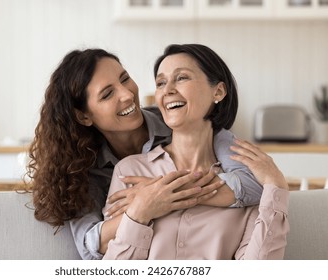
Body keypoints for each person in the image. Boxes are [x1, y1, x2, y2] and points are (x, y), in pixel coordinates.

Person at [26, 48, 263, 260]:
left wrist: (161, 191)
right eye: (107, 94)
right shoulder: (82, 167)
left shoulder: (181, 119)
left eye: (125, 79)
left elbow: (255, 186)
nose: (128, 95)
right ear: (84, 116)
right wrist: (144, 206)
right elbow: (90, 245)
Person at [102, 44, 289, 259]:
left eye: (181, 78)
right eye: (161, 82)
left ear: (218, 91)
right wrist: (140, 211)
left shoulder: (249, 180)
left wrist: (276, 185)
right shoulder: (130, 171)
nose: (168, 89)